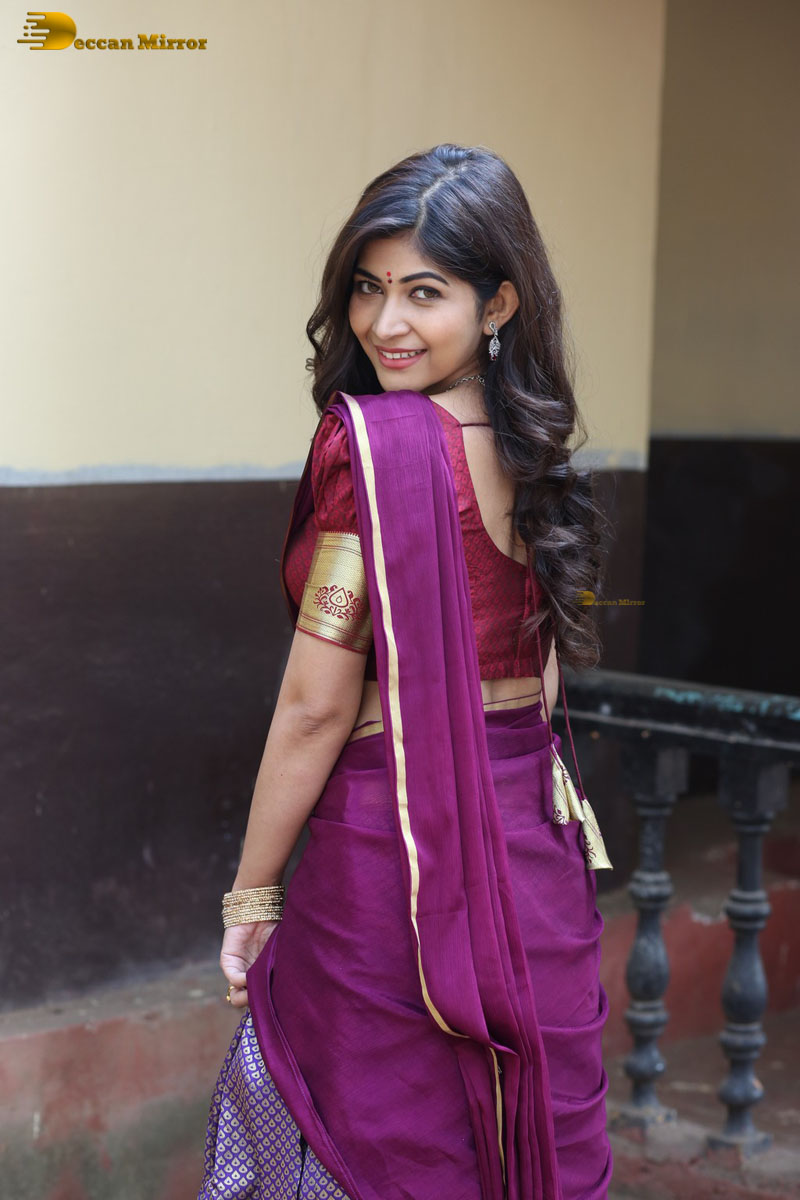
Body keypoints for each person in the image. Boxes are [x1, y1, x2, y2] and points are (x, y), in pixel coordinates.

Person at [198, 142, 614, 1200]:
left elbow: (314, 707)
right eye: (368, 288)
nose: (385, 322)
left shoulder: (376, 449)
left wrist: (252, 895)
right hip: (532, 856)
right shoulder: (536, 448)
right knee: (506, 1138)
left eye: (424, 292)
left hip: (392, 865)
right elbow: (545, 688)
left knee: (360, 1126)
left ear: (497, 302)